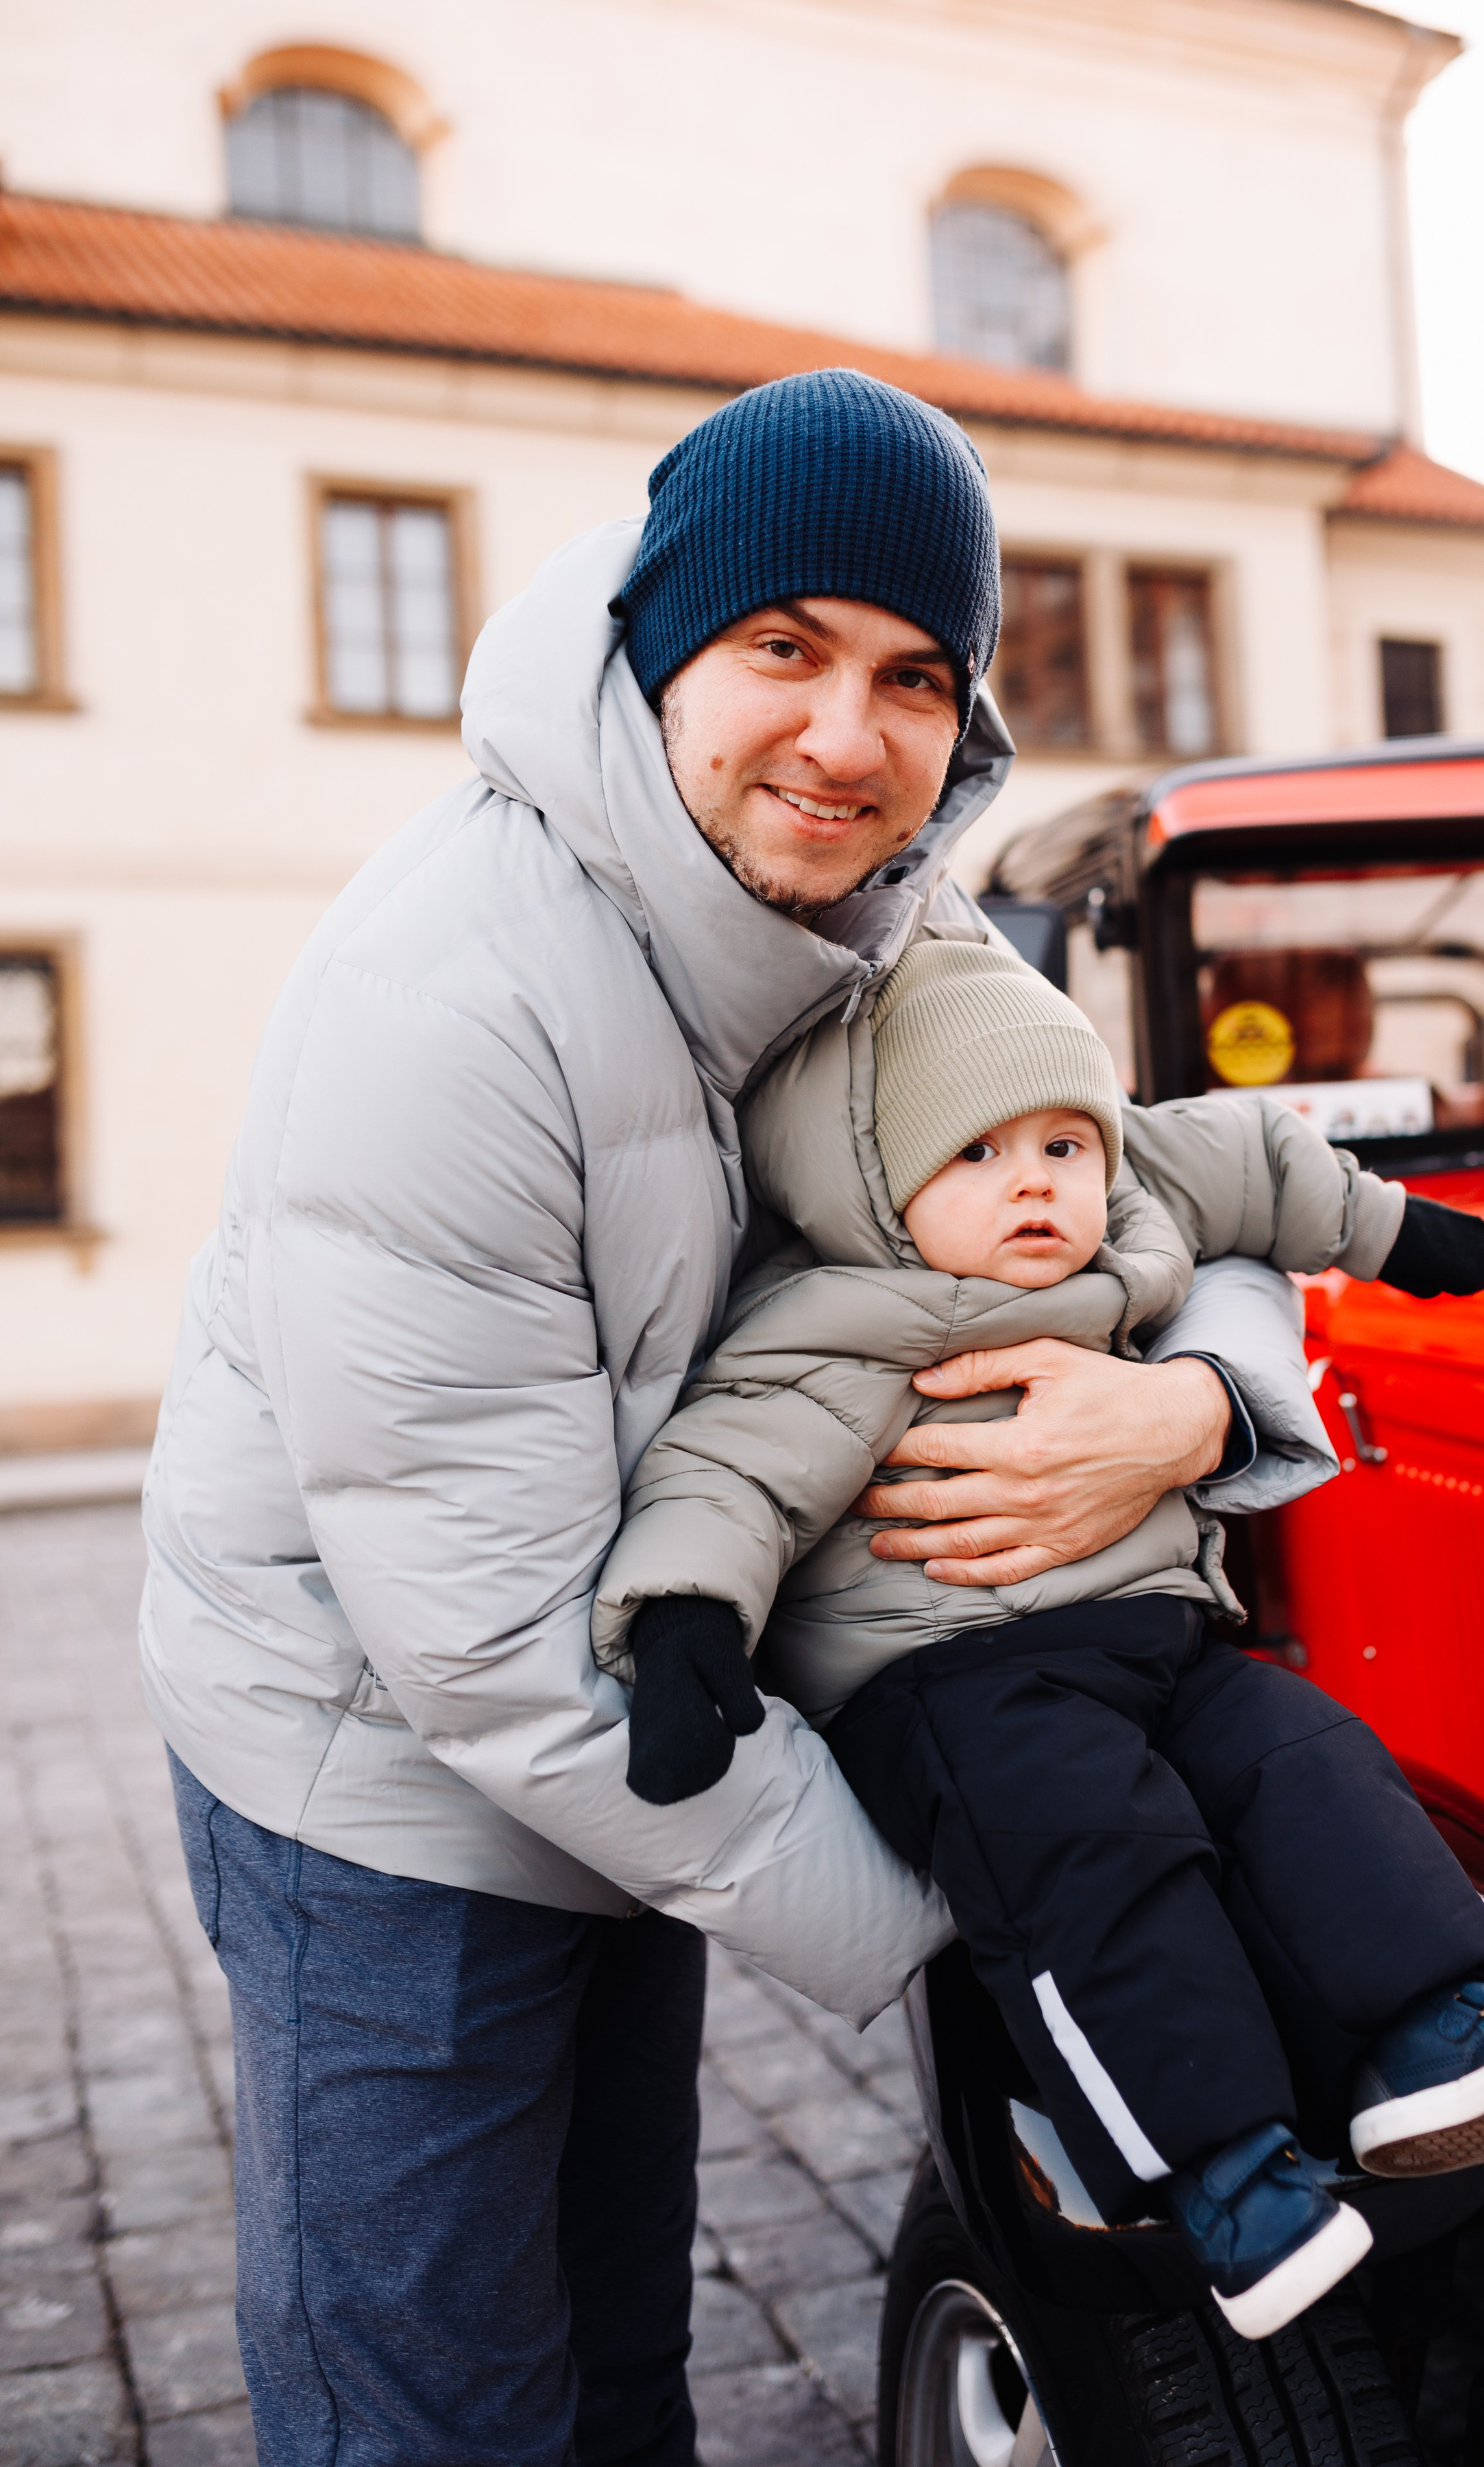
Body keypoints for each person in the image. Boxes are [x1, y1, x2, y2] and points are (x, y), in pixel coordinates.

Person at [139, 370, 1329, 2465]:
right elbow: (494, 1654)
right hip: (384, 1761)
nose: (848, 738)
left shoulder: (891, 918)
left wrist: (1190, 1406)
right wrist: (999, 1882)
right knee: (436, 2407)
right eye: (785, 647)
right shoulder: (452, 1004)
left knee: (618, 2356)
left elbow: (1149, 1181)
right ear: (663, 643)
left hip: (673, 1703)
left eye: (914, 676)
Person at [589, 938, 1484, 2342]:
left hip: (1159, 1648)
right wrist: (685, 1626)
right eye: (975, 1153)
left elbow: (1251, 1162)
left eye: (1062, 1145)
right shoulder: (835, 1326)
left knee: (1306, 1754)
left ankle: (1435, 2032)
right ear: (871, 1181)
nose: (1034, 1181)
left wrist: (1394, 1230)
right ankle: (1224, 2176)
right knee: (1091, 1849)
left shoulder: (1121, 1234)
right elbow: (728, 1474)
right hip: (955, 1691)